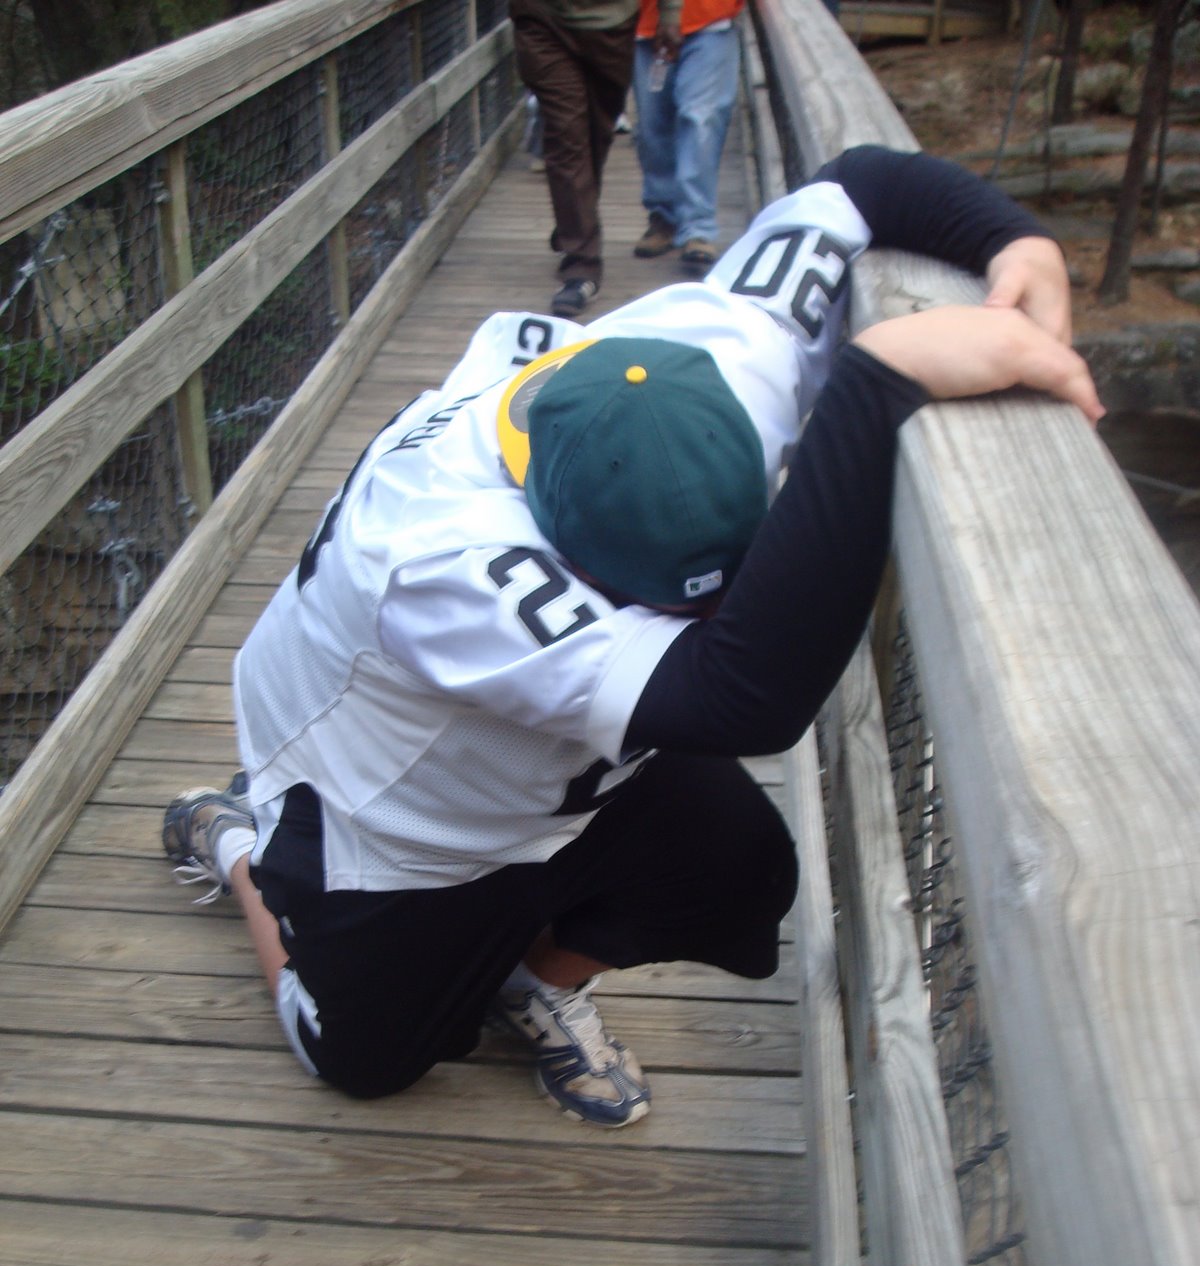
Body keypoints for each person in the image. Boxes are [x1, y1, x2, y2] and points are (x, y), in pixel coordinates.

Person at [162, 145, 1101, 1131]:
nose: (706, 616)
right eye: (659, 604)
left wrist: (1015, 241)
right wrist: (876, 386)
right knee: (363, 1062)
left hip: (543, 773)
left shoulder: (709, 354)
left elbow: (863, 184)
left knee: (745, 872)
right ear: (556, 545)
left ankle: (533, 983)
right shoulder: (443, 565)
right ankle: (238, 842)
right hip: (384, 822)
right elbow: (748, 701)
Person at [509, 0, 647, 318]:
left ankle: (572, 221)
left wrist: (670, 11)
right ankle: (581, 267)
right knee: (566, 135)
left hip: (612, 23)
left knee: (596, 135)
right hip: (540, 18)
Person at [631, 0, 742, 273]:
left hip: (711, 18)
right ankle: (664, 217)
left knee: (699, 119)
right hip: (644, 23)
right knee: (652, 126)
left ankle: (697, 227)